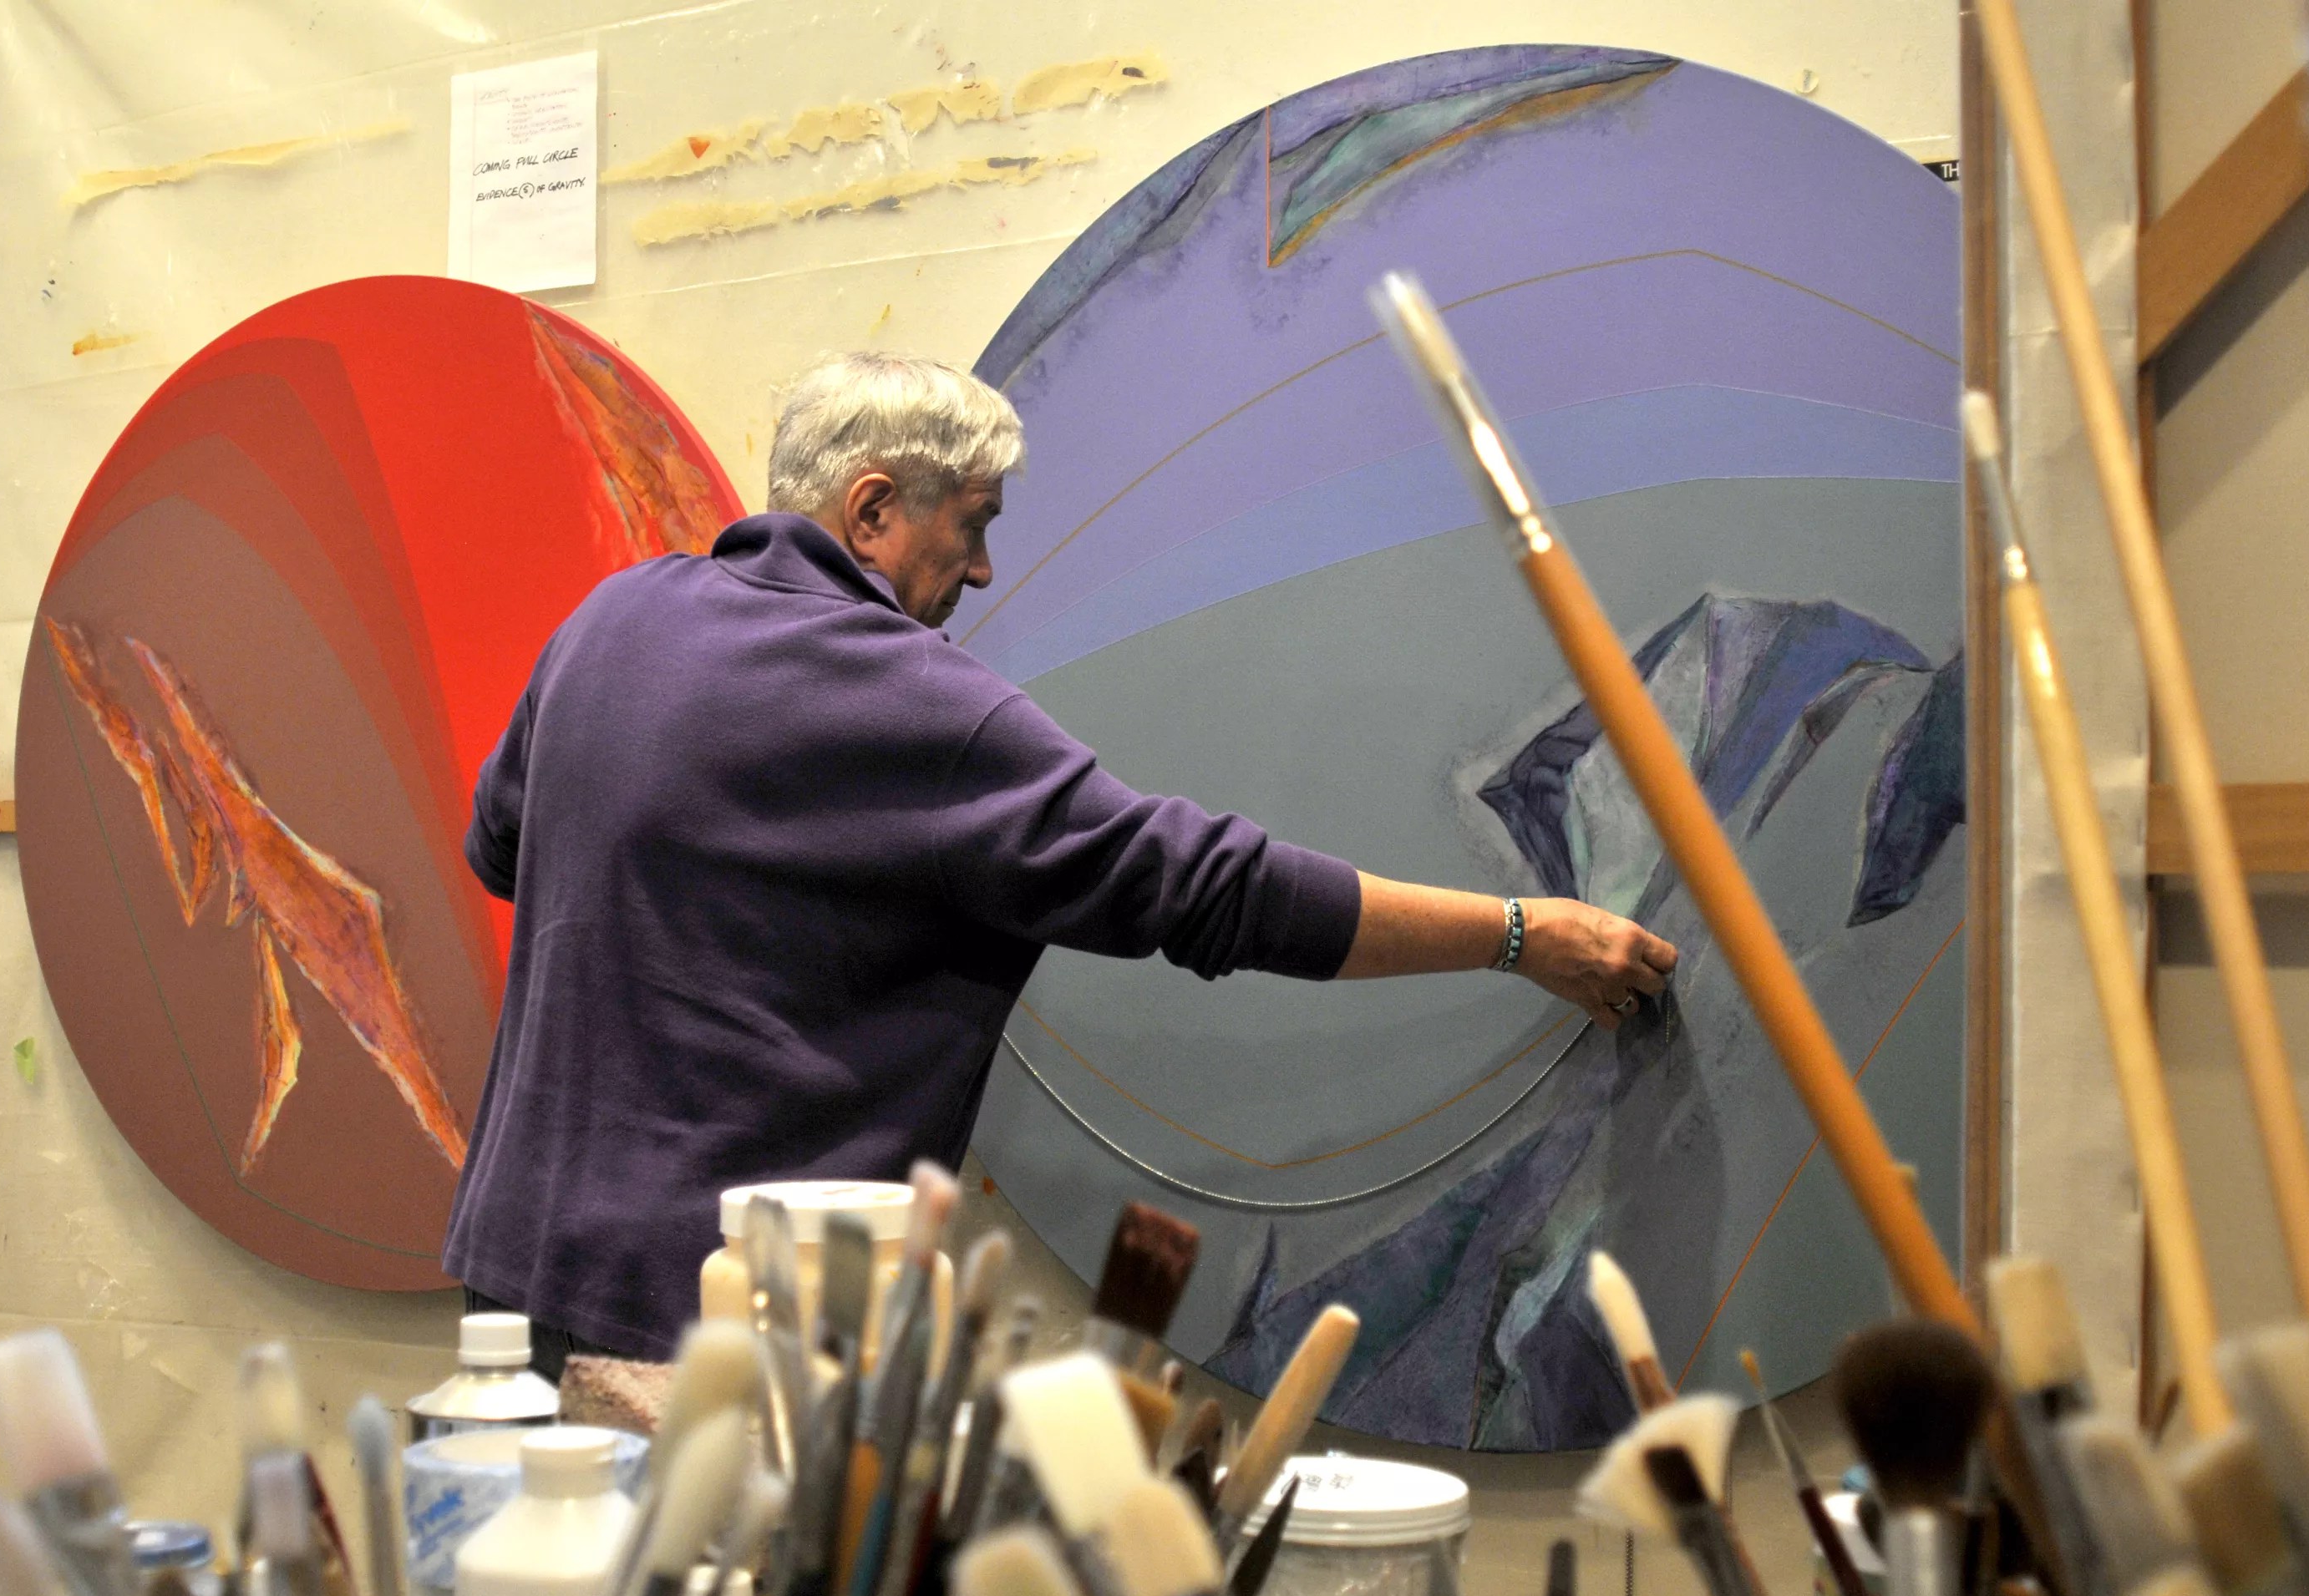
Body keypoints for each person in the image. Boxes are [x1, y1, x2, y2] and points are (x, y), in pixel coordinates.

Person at [443, 352, 1677, 1373]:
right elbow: (1212, 888)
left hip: (511, 1283)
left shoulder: (609, 621)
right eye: (969, 525)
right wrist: (1522, 934)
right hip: (721, 1321)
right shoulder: (914, 707)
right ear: (873, 510)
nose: (980, 571)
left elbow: (503, 847)